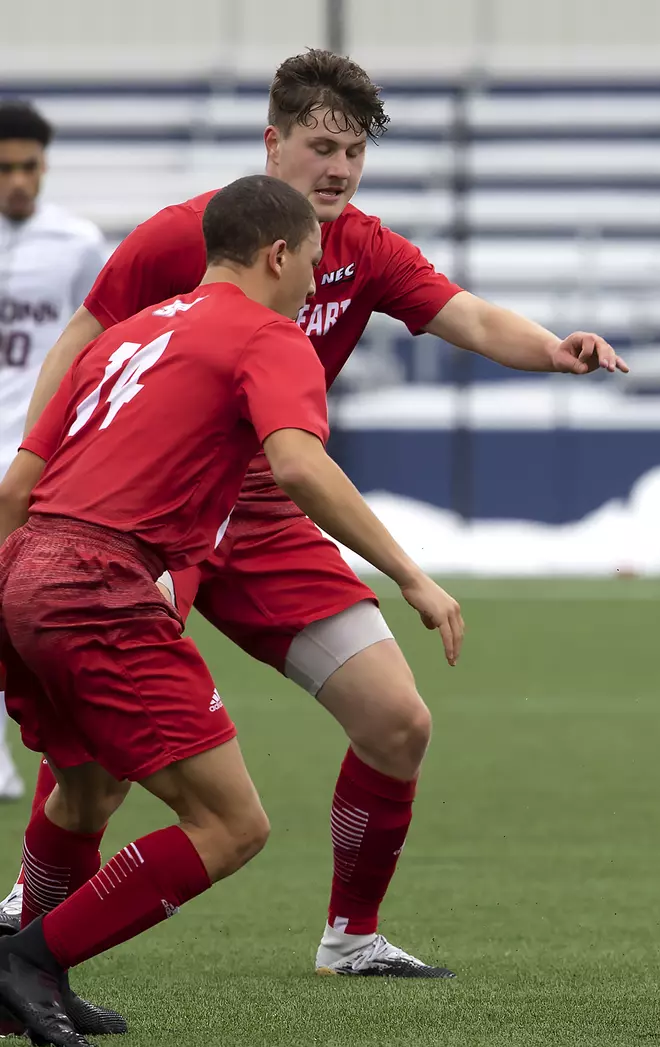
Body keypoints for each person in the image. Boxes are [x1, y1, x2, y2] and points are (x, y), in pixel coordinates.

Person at [0, 49, 624, 979]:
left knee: (397, 720)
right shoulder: (190, 237)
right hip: (154, 510)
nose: (339, 167)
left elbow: (467, 317)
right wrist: (33, 471)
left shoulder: (364, 247)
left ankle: (351, 936)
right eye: (322, 145)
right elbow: (84, 344)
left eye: (355, 152)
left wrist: (553, 350)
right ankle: (29, 931)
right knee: (103, 760)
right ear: (274, 142)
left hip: (259, 510)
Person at [0, 175, 464, 1047]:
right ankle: (25, 959)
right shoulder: (269, 336)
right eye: (314, 263)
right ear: (279, 255)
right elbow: (295, 466)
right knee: (231, 824)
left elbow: (20, 485)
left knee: (89, 785)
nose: (317, 281)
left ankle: (30, 976)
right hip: (100, 584)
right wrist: (410, 573)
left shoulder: (126, 335)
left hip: (28, 568)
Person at [0, 100, 106, 802]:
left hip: (32, 450)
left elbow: (93, 345)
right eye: (5, 168)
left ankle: (54, 757)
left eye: (29, 167)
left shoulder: (78, 244)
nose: (17, 181)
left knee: (23, 607)